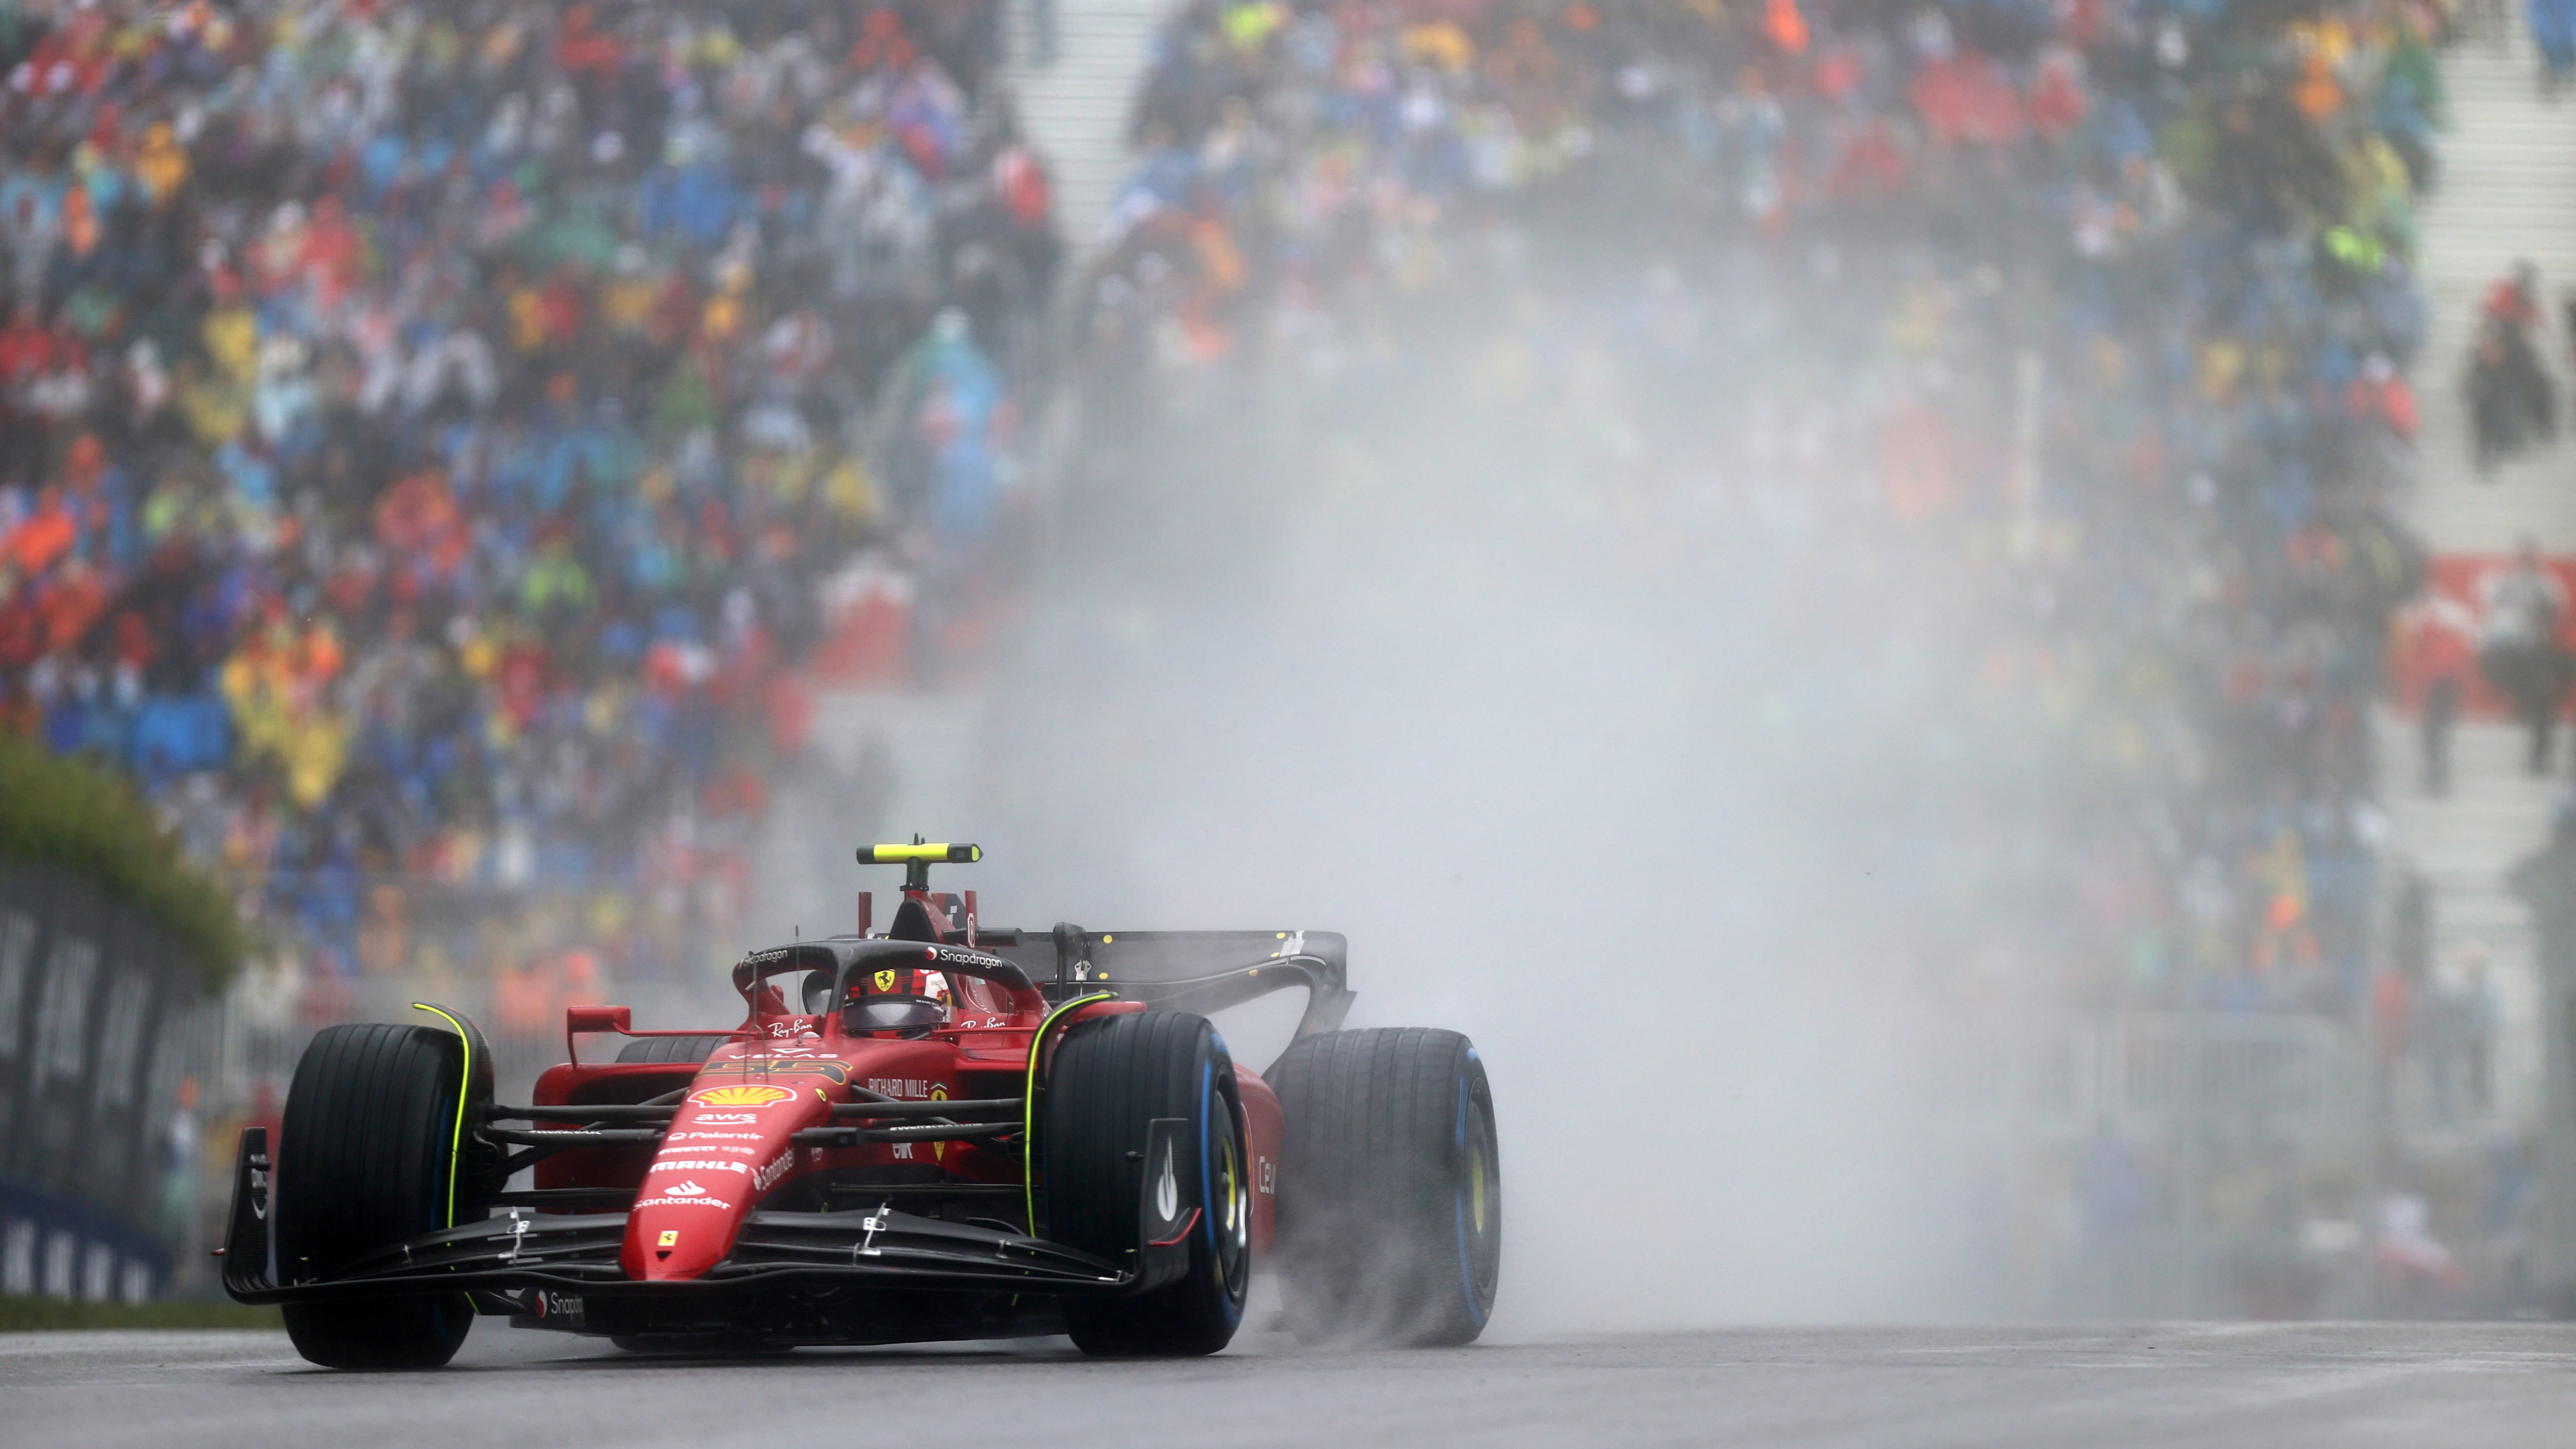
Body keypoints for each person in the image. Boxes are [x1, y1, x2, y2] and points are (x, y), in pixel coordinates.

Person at [2477, 539, 2570, 772]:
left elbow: (2556, 611)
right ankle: (2520, 704)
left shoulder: (2547, 586)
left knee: (2543, 693)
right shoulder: (2504, 583)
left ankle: (2539, 752)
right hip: (2512, 646)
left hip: (2537, 650)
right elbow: (2492, 607)